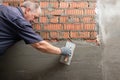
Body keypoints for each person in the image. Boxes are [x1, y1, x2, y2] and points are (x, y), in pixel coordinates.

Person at [0, 1, 71, 56]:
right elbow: (40, 45)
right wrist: (61, 51)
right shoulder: (20, 22)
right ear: (27, 10)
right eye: (35, 17)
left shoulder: (3, 8)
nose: (34, 21)